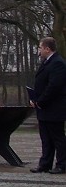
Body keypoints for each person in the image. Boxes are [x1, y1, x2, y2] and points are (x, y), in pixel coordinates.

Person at [30, 36, 66, 174]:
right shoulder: (46, 62)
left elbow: (54, 86)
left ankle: (62, 164)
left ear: (47, 48)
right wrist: (34, 98)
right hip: (44, 108)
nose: (39, 50)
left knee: (58, 138)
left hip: (54, 108)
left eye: (40, 47)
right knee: (46, 138)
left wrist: (40, 100)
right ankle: (45, 163)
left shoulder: (58, 63)